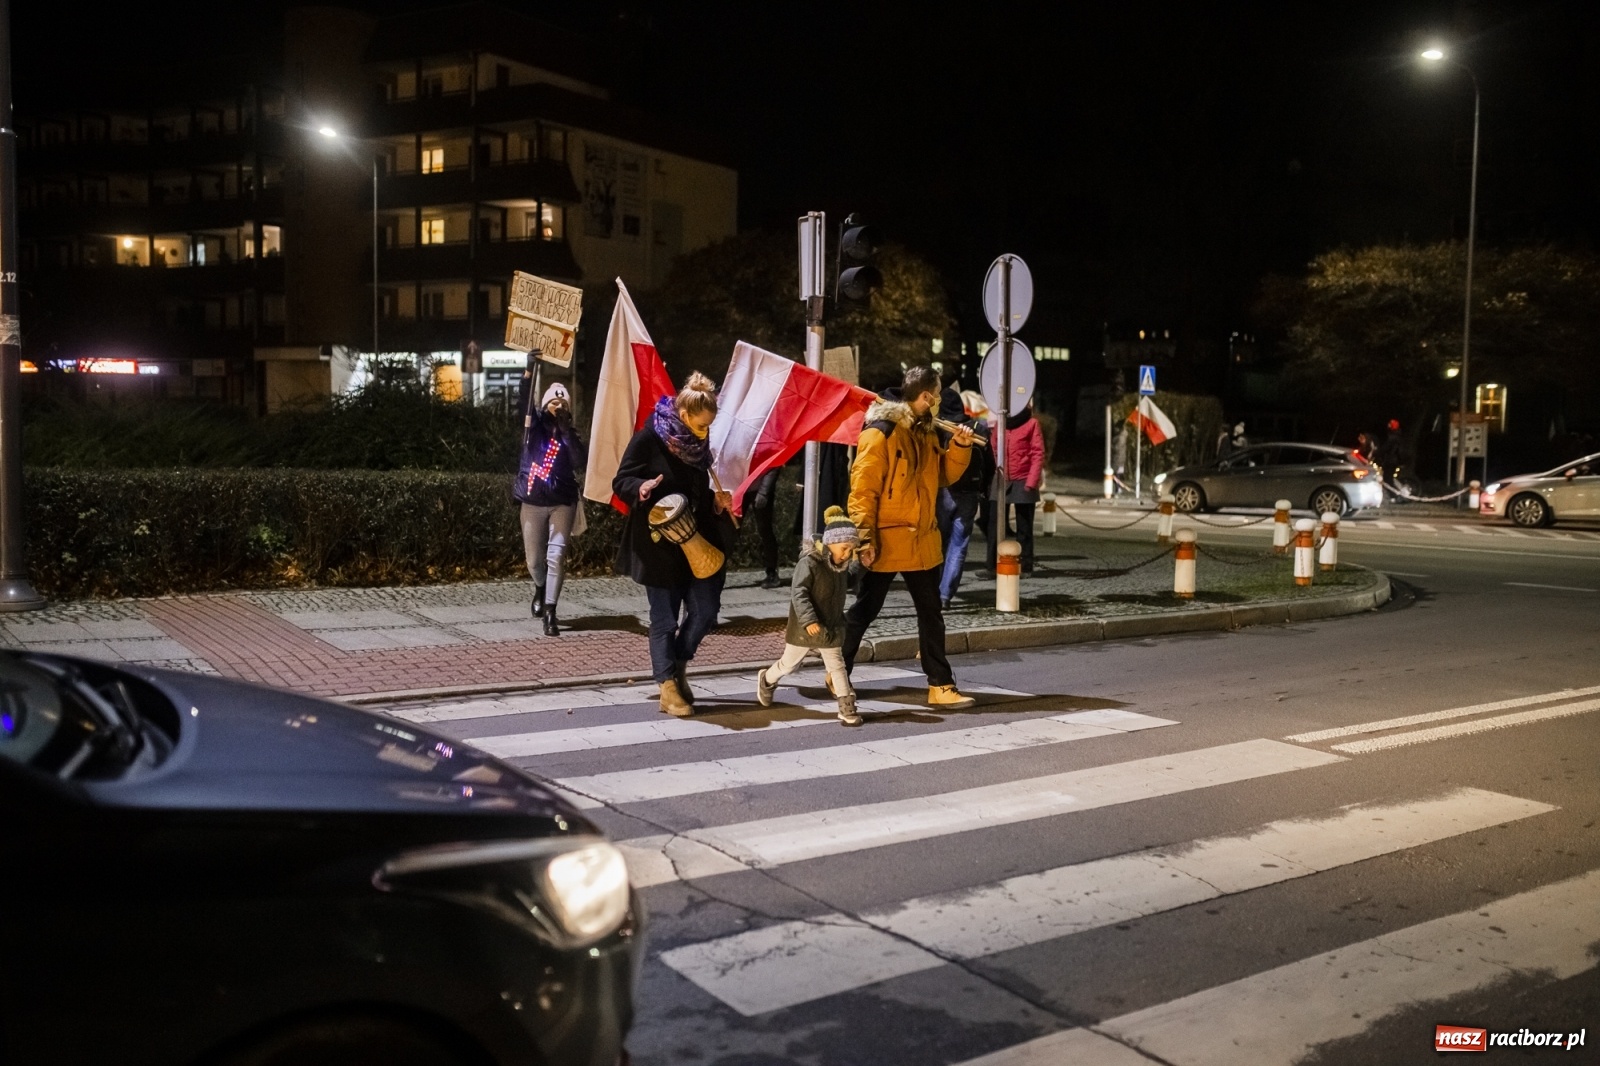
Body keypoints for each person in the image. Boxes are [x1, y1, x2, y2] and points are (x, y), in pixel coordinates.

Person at [843, 365, 978, 710]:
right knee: (865, 610)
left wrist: (960, 447)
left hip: (923, 542)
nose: (939, 402)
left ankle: (940, 684)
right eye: (937, 395)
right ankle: (838, 672)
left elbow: (942, 476)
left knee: (931, 614)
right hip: (887, 542)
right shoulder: (881, 432)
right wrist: (864, 539)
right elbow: (862, 492)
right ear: (926, 397)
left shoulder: (928, 432)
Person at [613, 372, 734, 717]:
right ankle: (667, 685)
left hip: (697, 541)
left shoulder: (698, 446)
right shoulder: (649, 438)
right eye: (700, 425)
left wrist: (715, 503)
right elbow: (621, 480)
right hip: (660, 546)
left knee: (705, 611)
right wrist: (641, 487)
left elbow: (700, 490)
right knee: (663, 619)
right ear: (683, 416)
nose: (704, 432)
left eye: (708, 426)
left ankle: (679, 662)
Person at [755, 505, 863, 726]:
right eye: (844, 548)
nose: (847, 554)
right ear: (830, 543)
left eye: (851, 550)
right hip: (805, 628)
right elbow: (799, 592)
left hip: (830, 627)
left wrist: (863, 565)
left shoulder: (840, 565)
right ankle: (766, 679)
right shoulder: (810, 563)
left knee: (837, 665)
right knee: (789, 665)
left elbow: (848, 582)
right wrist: (809, 620)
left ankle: (846, 705)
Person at [514, 379, 586, 635]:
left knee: (555, 556)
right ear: (545, 405)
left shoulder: (570, 433)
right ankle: (540, 588)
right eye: (554, 402)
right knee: (534, 561)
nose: (558, 406)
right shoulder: (532, 428)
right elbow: (524, 404)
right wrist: (527, 372)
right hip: (533, 500)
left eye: (563, 402)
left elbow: (578, 461)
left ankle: (550, 612)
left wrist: (567, 434)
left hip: (562, 502)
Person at [940, 390, 995, 606]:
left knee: (939, 544)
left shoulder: (941, 428)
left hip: (944, 491)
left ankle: (934, 592)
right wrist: (985, 490)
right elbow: (990, 462)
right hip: (970, 493)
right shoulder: (977, 429)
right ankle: (945, 595)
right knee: (958, 545)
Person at [987, 398, 1045, 574]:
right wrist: (998, 470)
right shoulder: (1001, 422)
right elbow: (994, 447)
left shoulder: (1032, 423)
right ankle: (992, 565)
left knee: (1024, 527)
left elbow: (1037, 453)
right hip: (1002, 478)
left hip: (1024, 478)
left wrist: (1031, 481)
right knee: (995, 526)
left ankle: (1026, 565)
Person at [743, 466, 782, 589]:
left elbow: (774, 464)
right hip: (739, 488)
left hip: (759, 487)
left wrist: (764, 491)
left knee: (765, 530)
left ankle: (771, 572)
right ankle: (718, 573)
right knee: (729, 531)